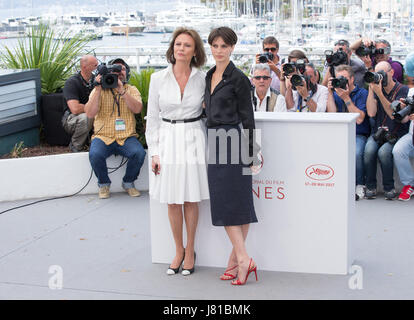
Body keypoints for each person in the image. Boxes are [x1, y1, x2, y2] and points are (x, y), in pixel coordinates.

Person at [145, 27, 209, 276]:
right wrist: (155, 153)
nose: (181, 48)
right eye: (178, 44)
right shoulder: (157, 79)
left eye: (187, 45)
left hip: (193, 136)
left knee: (191, 197)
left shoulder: (202, 79)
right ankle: (178, 250)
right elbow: (152, 119)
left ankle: (191, 249)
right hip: (167, 138)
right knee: (173, 199)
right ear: (172, 48)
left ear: (195, 52)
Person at [205, 27, 259, 286]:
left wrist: (252, 152)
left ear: (232, 48)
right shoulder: (209, 75)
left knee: (234, 202)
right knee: (233, 203)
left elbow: (249, 118)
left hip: (233, 141)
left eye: (224, 46)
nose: (219, 50)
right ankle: (235, 261)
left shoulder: (238, 78)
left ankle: (243, 259)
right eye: (215, 46)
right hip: (214, 140)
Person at [85, 58, 146, 199]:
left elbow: (137, 109)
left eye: (122, 69)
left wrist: (121, 91)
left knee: (139, 153)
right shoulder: (98, 90)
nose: (119, 73)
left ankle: (128, 182)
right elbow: (89, 113)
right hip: (103, 136)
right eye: (115, 70)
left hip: (126, 136)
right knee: (95, 154)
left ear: (127, 73)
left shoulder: (131, 90)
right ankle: (103, 184)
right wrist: (98, 89)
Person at [364, 61, 409, 200]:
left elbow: (393, 114)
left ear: (391, 72)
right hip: (379, 132)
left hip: (396, 133)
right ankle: (370, 186)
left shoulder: (402, 90)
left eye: (382, 73)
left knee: (384, 153)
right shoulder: (377, 89)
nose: (380, 78)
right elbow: (371, 113)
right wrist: (372, 90)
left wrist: (380, 94)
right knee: (369, 151)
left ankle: (389, 188)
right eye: (377, 74)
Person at [326, 65, 370, 200]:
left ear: (352, 79)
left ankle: (360, 184)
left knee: (356, 153)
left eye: (344, 78)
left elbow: (360, 119)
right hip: (339, 134)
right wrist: (329, 92)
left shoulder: (362, 93)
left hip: (358, 133)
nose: (341, 81)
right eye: (338, 78)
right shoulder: (335, 93)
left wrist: (346, 99)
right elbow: (332, 114)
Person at [62, 55, 98, 152]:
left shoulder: (96, 81)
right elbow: (75, 109)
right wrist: (93, 107)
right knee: (86, 117)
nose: (97, 67)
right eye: (94, 65)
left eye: (97, 65)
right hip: (72, 119)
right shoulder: (72, 82)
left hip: (93, 114)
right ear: (84, 67)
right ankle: (76, 146)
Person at [392, 52, 414, 201]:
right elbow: (405, 120)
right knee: (398, 151)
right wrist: (401, 109)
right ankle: (409, 184)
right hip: (412, 135)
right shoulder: (411, 91)